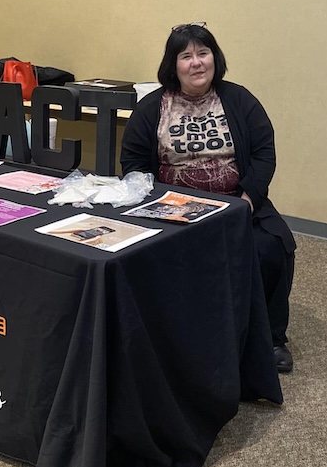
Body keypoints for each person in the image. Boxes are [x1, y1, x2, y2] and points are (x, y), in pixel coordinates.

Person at [120, 22, 296, 373]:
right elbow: (134, 164)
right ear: (173, 65)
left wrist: (247, 200)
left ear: (215, 58)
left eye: (203, 53)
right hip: (171, 211)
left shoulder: (240, 99)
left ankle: (271, 338)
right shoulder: (152, 107)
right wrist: (157, 205)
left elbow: (264, 154)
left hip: (236, 203)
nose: (196, 62)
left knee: (273, 246)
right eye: (186, 56)